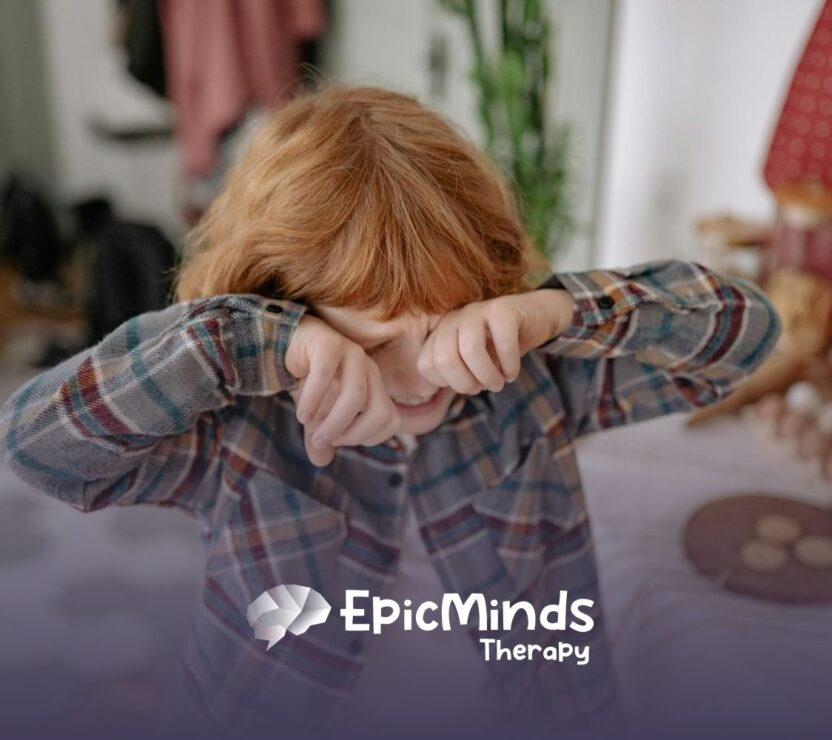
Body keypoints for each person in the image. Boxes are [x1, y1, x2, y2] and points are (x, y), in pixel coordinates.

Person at [0, 84, 781, 740]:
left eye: (444, 327)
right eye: (372, 344)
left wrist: (558, 311)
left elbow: (744, 343)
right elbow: (39, 447)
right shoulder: (239, 427)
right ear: (282, 311)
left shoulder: (529, 385)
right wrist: (238, 344)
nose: (419, 376)